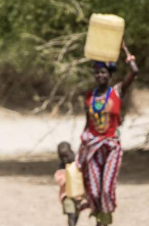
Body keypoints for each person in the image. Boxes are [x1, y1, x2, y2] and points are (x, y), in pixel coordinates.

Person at [76, 41, 138, 226]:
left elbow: (134, 72)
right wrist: (81, 151)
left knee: (105, 190)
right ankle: (98, 220)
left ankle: (104, 222)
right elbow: (87, 124)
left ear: (109, 74)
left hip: (111, 147)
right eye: (96, 72)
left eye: (103, 72)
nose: (99, 75)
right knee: (93, 191)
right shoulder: (89, 96)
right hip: (93, 146)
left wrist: (126, 52)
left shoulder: (117, 92)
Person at [54, 141, 82, 226]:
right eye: (61, 157)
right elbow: (59, 178)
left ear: (72, 152)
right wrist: (67, 178)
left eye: (66, 156)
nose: (65, 159)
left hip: (78, 196)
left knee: (76, 214)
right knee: (71, 215)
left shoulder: (77, 164)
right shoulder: (62, 167)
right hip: (67, 196)